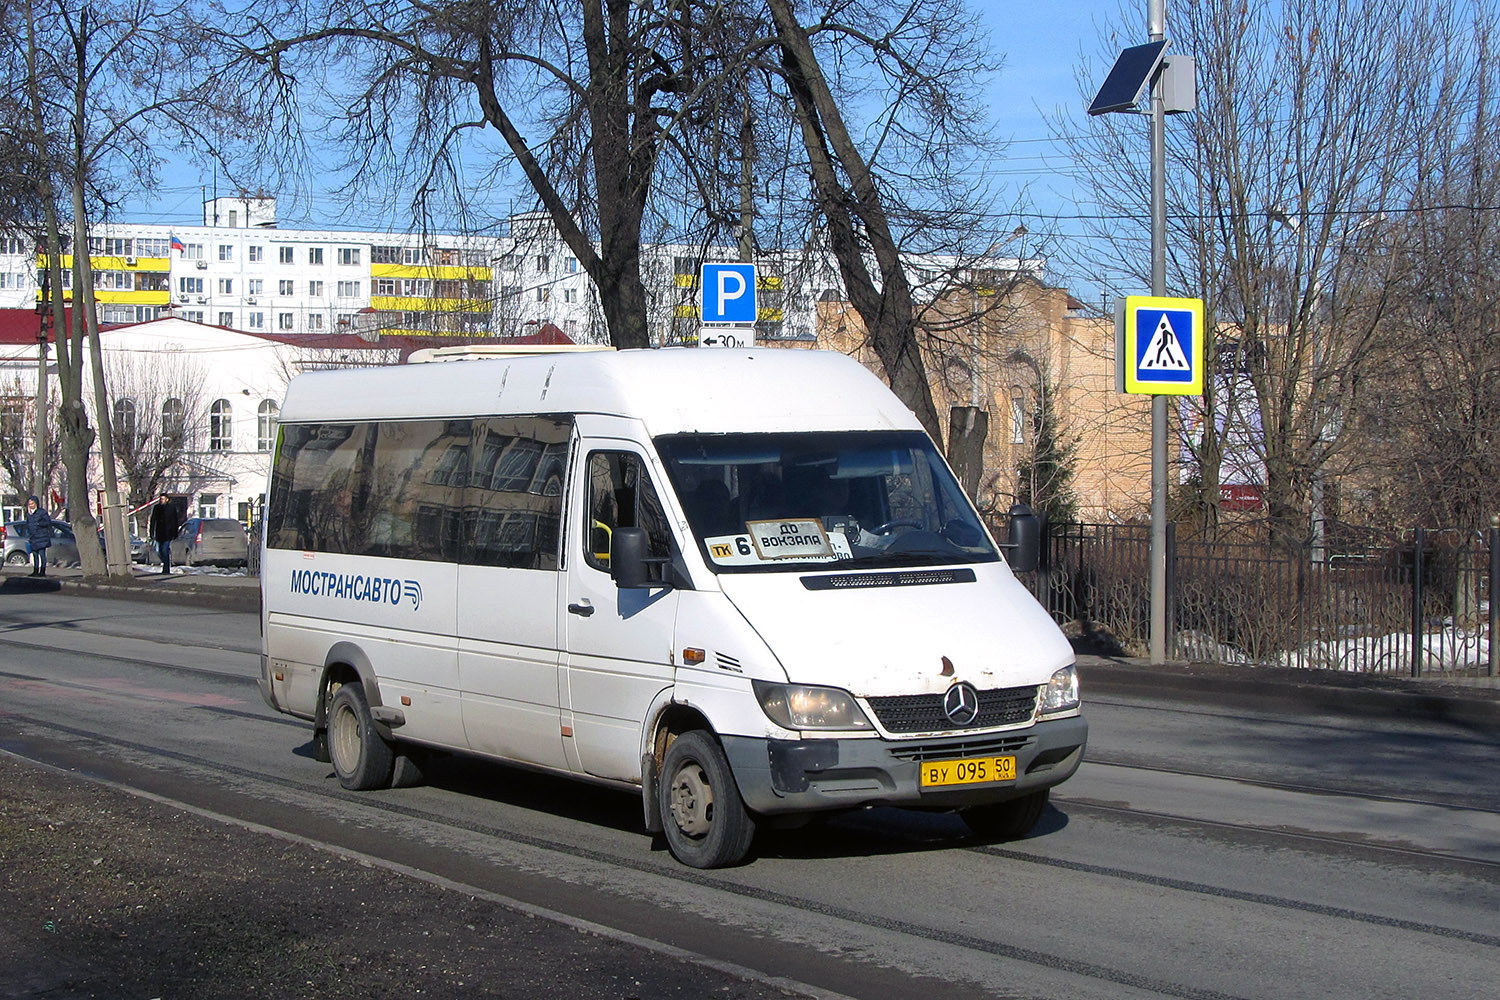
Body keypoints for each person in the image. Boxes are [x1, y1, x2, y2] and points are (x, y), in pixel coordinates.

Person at [148, 494, 180, 575]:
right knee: (158, 550)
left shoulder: (171, 508)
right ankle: (165, 564)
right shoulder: (157, 508)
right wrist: (151, 532)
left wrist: (175, 533)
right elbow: (153, 520)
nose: (161, 500)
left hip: (168, 533)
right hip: (159, 533)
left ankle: (166, 569)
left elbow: (175, 521)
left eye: (163, 499)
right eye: (160, 499)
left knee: (164, 550)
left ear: (167, 499)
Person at [23, 496, 52, 577]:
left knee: (41, 554)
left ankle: (42, 571)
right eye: (29, 504)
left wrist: (39, 524)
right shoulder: (29, 514)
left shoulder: (42, 512)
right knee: (34, 554)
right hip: (33, 537)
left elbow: (47, 522)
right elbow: (28, 524)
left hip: (42, 537)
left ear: (36, 503)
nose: (31, 505)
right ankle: (35, 571)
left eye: (32, 503)